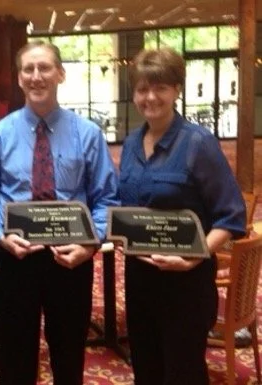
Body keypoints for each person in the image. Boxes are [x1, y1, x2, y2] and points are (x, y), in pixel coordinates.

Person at [0, 40, 119, 385]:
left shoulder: (89, 135)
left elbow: (107, 198)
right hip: (13, 259)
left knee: (69, 356)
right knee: (14, 355)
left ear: (60, 74)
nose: (36, 76)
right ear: (19, 79)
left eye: (45, 68)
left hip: (71, 260)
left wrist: (91, 243)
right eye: (28, 69)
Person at [119, 47, 246, 385]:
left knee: (182, 372)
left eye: (160, 87)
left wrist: (195, 255)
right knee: (146, 368)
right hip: (139, 278)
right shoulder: (131, 144)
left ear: (176, 89)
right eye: (143, 89)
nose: (150, 97)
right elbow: (124, 205)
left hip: (186, 282)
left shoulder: (197, 143)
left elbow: (232, 216)